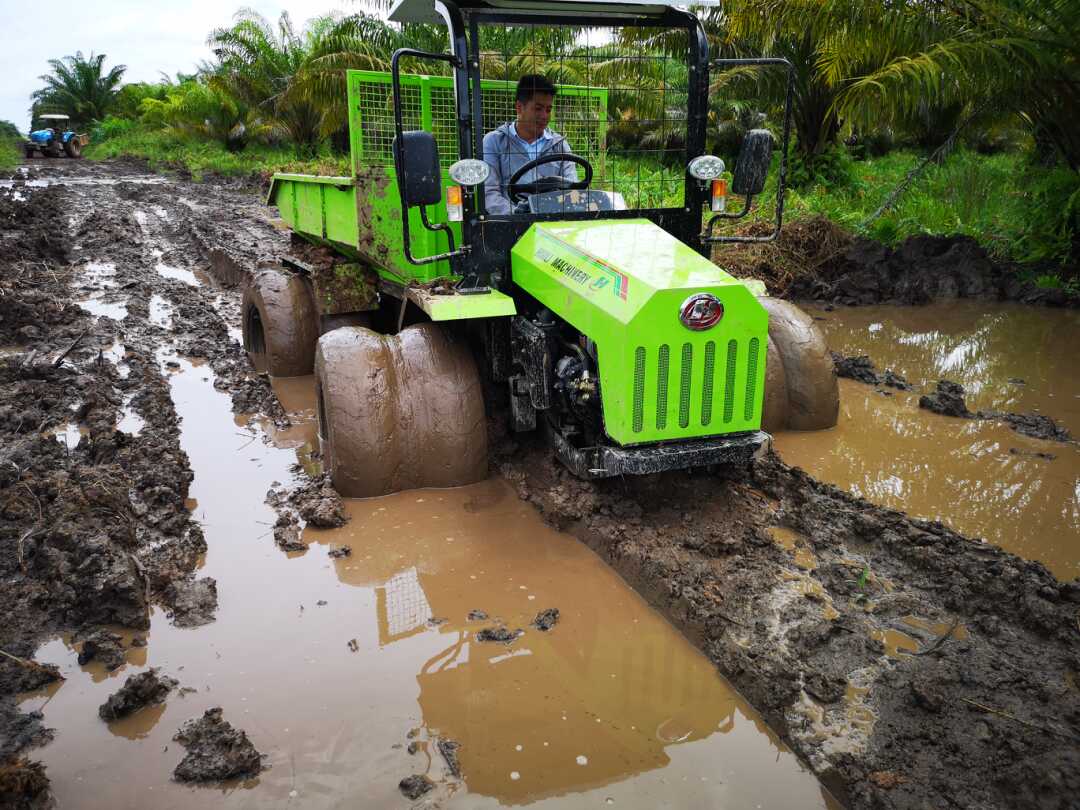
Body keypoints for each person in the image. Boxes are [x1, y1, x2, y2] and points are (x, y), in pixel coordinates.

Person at [482, 74, 578, 215]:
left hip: (552, 220)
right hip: (510, 222)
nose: (544, 116)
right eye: (538, 108)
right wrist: (517, 214)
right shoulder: (495, 142)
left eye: (548, 110)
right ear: (519, 107)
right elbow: (489, 194)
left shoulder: (559, 145)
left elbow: (573, 189)